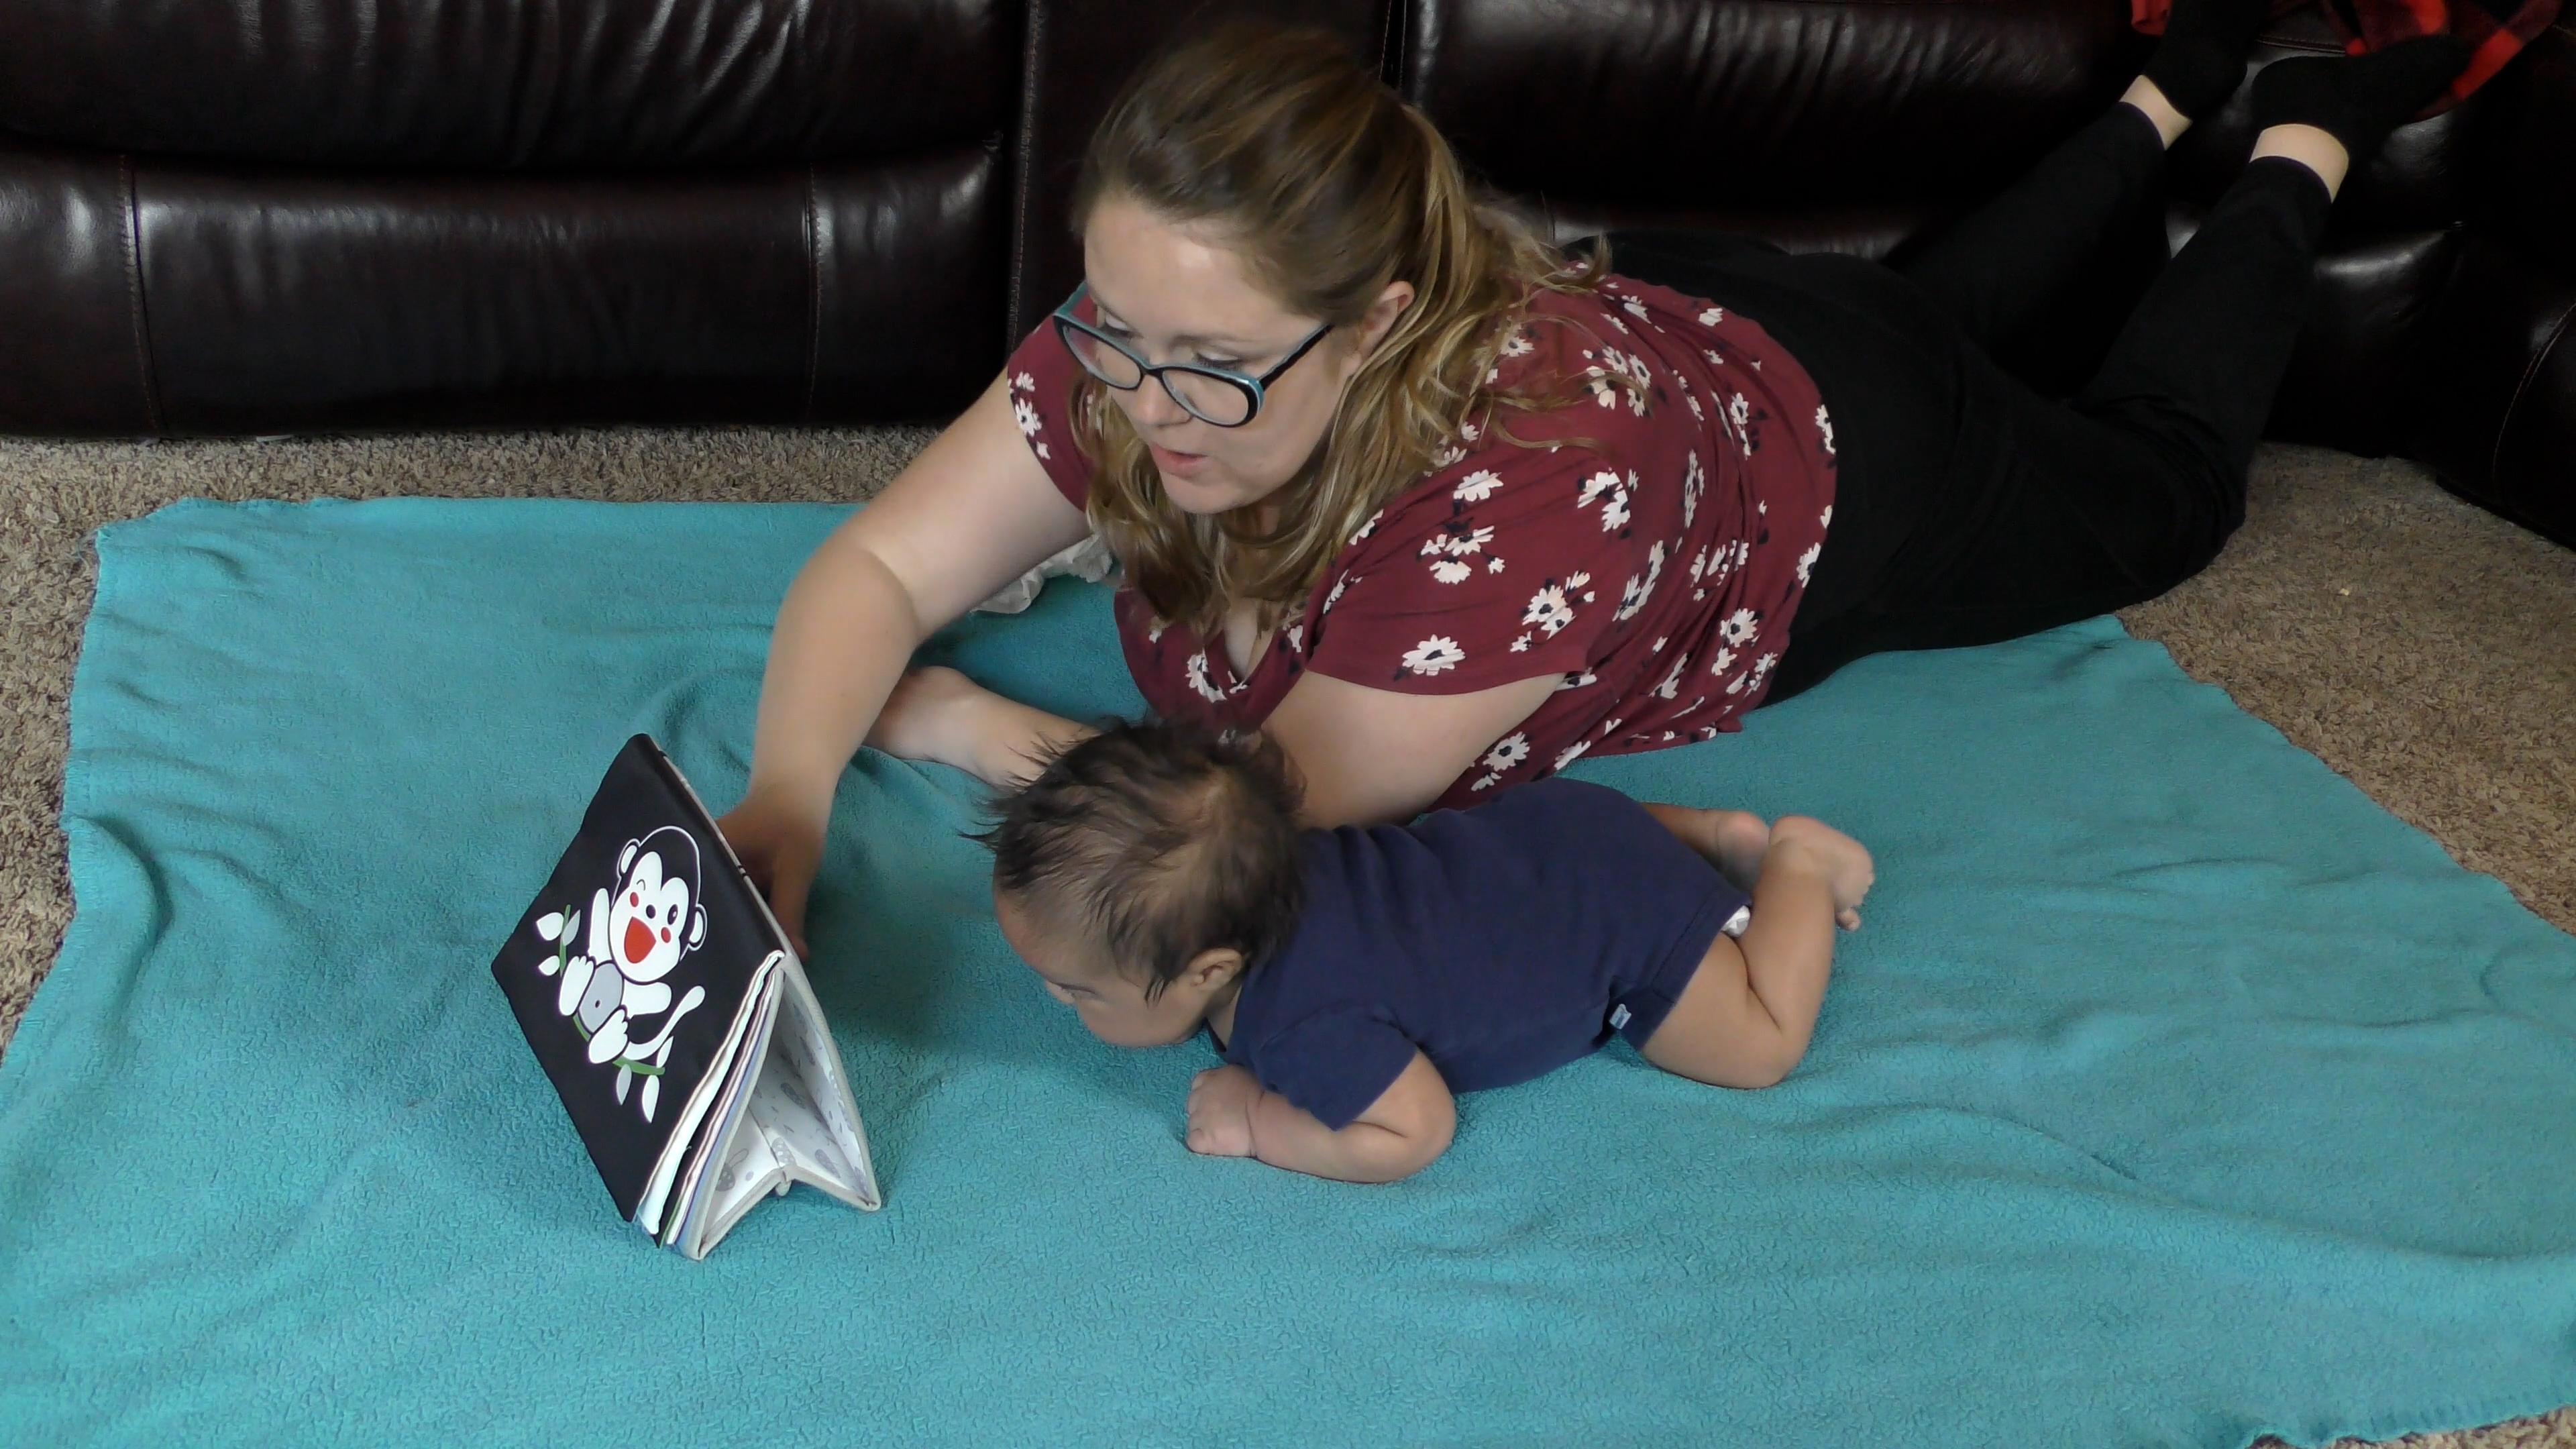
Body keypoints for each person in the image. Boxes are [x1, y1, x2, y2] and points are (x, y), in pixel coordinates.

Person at [716, 5, 2473, 952]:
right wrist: (785, 803)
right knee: (1918, 307)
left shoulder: (1523, 502)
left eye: (1215, 365)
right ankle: (2168, 86)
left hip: (1855, 468)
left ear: (1382, 318)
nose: (1144, 408)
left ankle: (2303, 116)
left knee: (2155, 485)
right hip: (1711, 306)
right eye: (1111, 325)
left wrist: (948, 724)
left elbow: (1237, 818)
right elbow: (876, 572)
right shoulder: (1157, 330)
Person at [979, 720, 1876, 1182]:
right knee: (1516, 847)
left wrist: (1259, 1122)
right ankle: (1712, 837)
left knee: (1759, 1045)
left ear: (1209, 971)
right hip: (1565, 824)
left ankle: (1800, 864)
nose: (1057, 1000)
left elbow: (1415, 1130)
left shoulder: (1299, 1026)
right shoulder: (1269, 861)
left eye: (1077, 989)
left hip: (1618, 925)